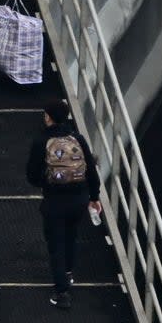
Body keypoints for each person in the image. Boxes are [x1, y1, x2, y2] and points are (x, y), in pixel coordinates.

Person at [25, 99, 103, 310]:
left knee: (56, 245)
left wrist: (47, 182)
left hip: (54, 201)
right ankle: (68, 274)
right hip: (79, 199)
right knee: (71, 237)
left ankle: (62, 293)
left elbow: (31, 175)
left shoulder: (41, 141)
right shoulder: (77, 138)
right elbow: (91, 170)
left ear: (49, 117)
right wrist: (94, 196)